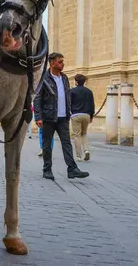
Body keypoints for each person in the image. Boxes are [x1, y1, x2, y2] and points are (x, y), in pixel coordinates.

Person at [33, 52, 89, 180]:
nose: (63, 64)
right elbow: (37, 98)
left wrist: (69, 111)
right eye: (60, 62)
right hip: (48, 117)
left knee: (66, 143)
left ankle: (72, 169)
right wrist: (38, 116)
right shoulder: (44, 78)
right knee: (47, 145)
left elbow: (67, 95)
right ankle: (47, 169)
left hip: (63, 117)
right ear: (52, 63)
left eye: (63, 61)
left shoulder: (64, 78)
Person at [70, 74, 95, 162]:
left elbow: (69, 103)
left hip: (76, 115)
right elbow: (92, 105)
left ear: (76, 81)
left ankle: (78, 156)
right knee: (84, 133)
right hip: (87, 115)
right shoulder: (89, 91)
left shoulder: (72, 91)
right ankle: (86, 150)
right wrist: (91, 116)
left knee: (76, 135)